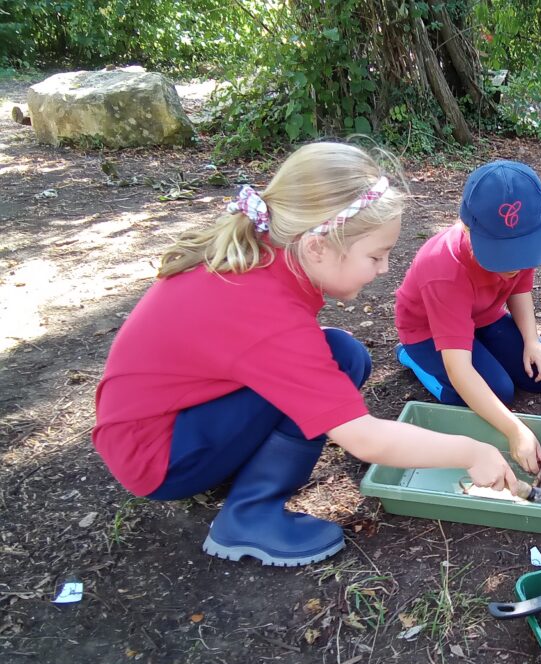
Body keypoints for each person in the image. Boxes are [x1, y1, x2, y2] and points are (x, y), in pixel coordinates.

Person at [92, 142, 517, 568]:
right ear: (318, 246)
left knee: (343, 355)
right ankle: (248, 518)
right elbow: (364, 438)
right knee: (335, 363)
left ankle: (238, 475)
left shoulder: (270, 254)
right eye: (376, 255)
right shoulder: (264, 311)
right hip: (157, 457)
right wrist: (472, 451)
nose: (385, 269)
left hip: (175, 421)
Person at [393, 160, 541, 475]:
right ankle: (411, 357)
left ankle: (492, 352)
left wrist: (532, 340)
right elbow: (460, 370)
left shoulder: (521, 243)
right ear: (467, 229)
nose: (513, 266)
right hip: (428, 331)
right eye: (502, 257)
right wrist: (515, 431)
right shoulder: (443, 270)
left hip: (482, 317)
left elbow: (519, 289)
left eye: (521, 254)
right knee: (497, 392)